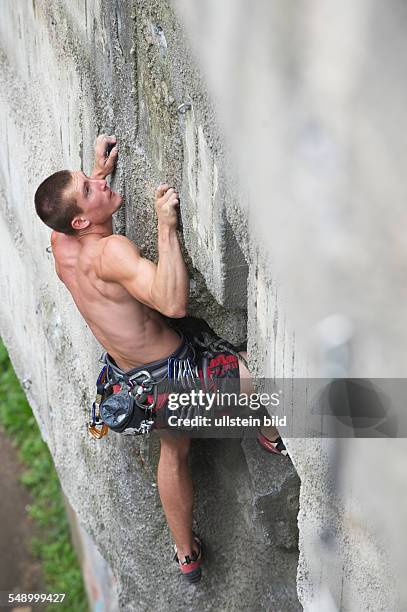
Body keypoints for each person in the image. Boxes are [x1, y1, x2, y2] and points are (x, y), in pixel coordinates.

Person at [34, 134, 286, 582]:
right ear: (79, 221)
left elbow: (70, 213)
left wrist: (95, 175)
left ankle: (186, 554)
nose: (99, 184)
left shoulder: (61, 245)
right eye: (90, 190)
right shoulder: (110, 252)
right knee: (270, 374)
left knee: (174, 449)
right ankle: (266, 422)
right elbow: (172, 303)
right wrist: (165, 226)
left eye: (91, 179)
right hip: (179, 380)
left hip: (134, 380)